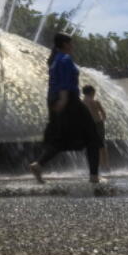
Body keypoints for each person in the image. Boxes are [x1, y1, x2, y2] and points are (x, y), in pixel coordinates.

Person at [28, 33, 102, 184]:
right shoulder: (65, 59)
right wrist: (63, 99)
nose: (72, 46)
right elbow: (64, 82)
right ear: (65, 44)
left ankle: (38, 164)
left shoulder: (55, 60)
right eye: (70, 43)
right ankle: (94, 176)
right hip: (69, 100)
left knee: (62, 140)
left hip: (58, 101)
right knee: (93, 137)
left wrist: (57, 102)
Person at [82, 85, 109, 174]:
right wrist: (102, 120)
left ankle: (93, 166)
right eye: (94, 92)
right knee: (101, 146)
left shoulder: (81, 103)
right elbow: (104, 114)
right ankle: (104, 166)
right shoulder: (95, 102)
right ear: (92, 92)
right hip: (98, 124)